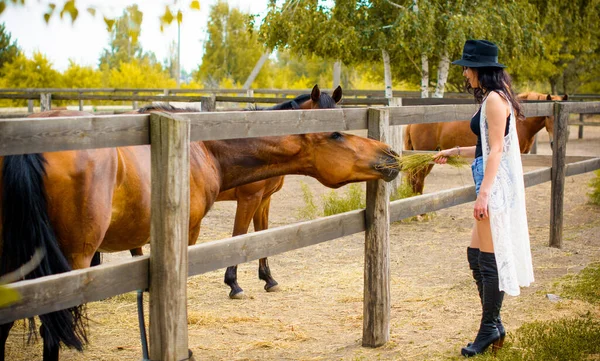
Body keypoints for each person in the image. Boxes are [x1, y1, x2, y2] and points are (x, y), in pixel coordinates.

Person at [434, 40, 535, 357]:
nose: (464, 73)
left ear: (479, 70)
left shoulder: (494, 100)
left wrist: (485, 196)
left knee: (489, 262)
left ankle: (489, 328)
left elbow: (498, 151)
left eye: (466, 67)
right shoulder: (494, 98)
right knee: (476, 257)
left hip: (494, 186)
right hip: (489, 181)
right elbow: (487, 147)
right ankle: (494, 324)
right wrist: (455, 151)